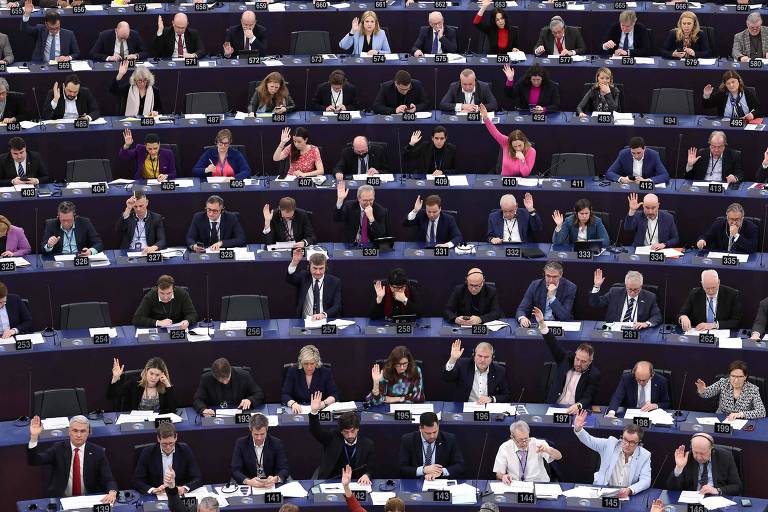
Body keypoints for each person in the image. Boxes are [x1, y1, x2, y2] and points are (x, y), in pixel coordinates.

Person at [27, 415, 117, 502]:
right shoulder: (58, 449)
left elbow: (108, 479)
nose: (78, 435)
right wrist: (34, 437)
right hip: (61, 500)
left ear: (89, 432)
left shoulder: (97, 452)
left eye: (83, 431)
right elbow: (34, 460)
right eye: (75, 431)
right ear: (69, 432)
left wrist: (112, 492)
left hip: (88, 499)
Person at [573, 410, 651, 498]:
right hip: (603, 491)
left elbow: (646, 480)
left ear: (639, 443)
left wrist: (629, 490)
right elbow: (590, 440)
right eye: (625, 440)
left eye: (632, 442)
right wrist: (579, 429)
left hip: (625, 495)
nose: (627, 445)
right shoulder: (610, 444)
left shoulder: (644, 455)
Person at [537, 307, 601, 413]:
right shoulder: (566, 358)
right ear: (575, 355)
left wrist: (578, 405)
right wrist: (542, 324)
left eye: (583, 361)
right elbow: (553, 344)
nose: (579, 363)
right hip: (554, 406)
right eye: (577, 359)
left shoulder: (594, 374)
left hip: (574, 410)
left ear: (590, 361)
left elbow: (588, 397)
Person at [309, 391, 374, 483]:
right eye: (346, 432)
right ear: (341, 431)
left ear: (358, 429)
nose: (350, 435)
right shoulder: (332, 438)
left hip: (356, 482)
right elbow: (316, 431)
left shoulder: (367, 444)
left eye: (352, 431)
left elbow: (370, 467)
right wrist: (314, 412)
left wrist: (366, 475)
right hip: (331, 480)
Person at [133, 423, 202, 495]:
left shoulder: (184, 450)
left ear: (176, 437)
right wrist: (153, 490)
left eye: (171, 443)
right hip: (157, 495)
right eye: (164, 444)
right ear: (158, 439)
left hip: (177, 494)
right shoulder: (148, 452)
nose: (168, 447)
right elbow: (137, 481)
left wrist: (184, 488)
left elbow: (197, 478)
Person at [666, 433, 742, 496]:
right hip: (693, 502)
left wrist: (717, 490)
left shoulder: (725, 457)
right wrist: (679, 468)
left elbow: (737, 487)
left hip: (716, 500)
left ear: (712, 449)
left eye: (702, 453)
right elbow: (672, 489)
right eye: (695, 452)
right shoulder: (686, 458)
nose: (698, 457)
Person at [398, 412, 464, 479]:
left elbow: (460, 465)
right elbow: (402, 468)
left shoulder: (449, 439)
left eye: (435, 432)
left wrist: (441, 471)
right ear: (420, 428)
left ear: (438, 426)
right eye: (428, 433)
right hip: (416, 482)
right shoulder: (408, 440)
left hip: (439, 482)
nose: (432, 436)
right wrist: (423, 470)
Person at [230, 413, 290, 486]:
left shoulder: (276, 443)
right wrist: (248, 481)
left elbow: (284, 469)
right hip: (250, 483)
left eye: (262, 434)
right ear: (250, 429)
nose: (259, 438)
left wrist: (276, 478)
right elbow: (235, 470)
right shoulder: (241, 443)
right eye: (256, 434)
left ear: (267, 429)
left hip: (270, 484)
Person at [494, 420, 561, 483]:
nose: (524, 443)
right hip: (515, 484)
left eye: (526, 439)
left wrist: (548, 450)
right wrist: (503, 476)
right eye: (520, 440)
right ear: (512, 438)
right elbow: (499, 474)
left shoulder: (538, 444)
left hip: (538, 483)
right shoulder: (505, 448)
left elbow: (559, 456)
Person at [590, 270, 662, 329]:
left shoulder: (650, 297)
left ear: (641, 286)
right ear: (625, 285)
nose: (633, 293)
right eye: (630, 289)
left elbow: (657, 316)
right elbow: (595, 303)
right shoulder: (614, 292)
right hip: (614, 330)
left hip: (636, 331)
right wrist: (596, 286)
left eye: (636, 290)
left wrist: (646, 324)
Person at [443, 339, 509, 403]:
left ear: (492, 358)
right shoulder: (463, 365)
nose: (482, 360)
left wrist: (491, 399)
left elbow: (505, 395)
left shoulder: (499, 371)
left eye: (486, 357)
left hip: (488, 407)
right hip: (465, 406)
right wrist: (453, 359)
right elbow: (447, 378)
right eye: (479, 356)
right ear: (474, 355)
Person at [193, 358, 265, 417]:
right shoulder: (206, 379)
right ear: (214, 375)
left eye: (227, 378)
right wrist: (203, 410)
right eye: (221, 380)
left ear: (230, 370)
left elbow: (259, 394)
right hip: (216, 415)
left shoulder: (244, 375)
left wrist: (250, 400)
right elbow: (197, 399)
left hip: (240, 414)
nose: (225, 382)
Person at [695, 360, 765, 420]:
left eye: (740, 377)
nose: (736, 380)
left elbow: (761, 412)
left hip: (742, 421)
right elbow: (706, 394)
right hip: (721, 419)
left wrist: (741, 414)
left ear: (745, 377)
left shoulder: (753, 389)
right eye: (733, 376)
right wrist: (702, 390)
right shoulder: (723, 383)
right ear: (729, 375)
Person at [480, 104, 535, 176]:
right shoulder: (506, 142)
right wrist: (485, 118)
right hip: (504, 181)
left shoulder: (531, 151)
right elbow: (495, 132)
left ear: (524, 141)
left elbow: (525, 174)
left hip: (520, 183)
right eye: (515, 146)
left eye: (520, 145)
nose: (518, 148)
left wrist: (522, 160)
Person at [516, 261, 576, 327]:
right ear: (544, 274)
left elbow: (565, 316)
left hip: (560, 326)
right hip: (538, 324)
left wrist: (552, 298)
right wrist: (522, 318)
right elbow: (522, 309)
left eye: (555, 277)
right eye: (548, 276)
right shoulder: (535, 285)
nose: (551, 280)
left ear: (561, 275)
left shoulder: (570, 287)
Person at [108, 356, 176, 413]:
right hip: (137, 423)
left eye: (157, 375)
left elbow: (173, 409)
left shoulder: (164, 387)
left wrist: (168, 385)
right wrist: (114, 379)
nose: (153, 378)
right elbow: (111, 396)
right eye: (151, 373)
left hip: (156, 423)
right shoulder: (134, 383)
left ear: (162, 374)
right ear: (146, 371)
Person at [287, 248, 342, 319]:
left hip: (325, 320)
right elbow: (290, 279)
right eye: (315, 268)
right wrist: (294, 263)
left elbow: (337, 306)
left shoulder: (334, 282)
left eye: (321, 268)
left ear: (326, 267)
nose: (318, 272)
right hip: (304, 321)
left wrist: (323, 315)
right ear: (309, 267)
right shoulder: (303, 277)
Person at [282, 345, 339, 413]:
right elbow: (285, 394)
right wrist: (293, 404)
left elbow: (335, 395)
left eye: (312, 363)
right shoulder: (293, 371)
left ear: (317, 362)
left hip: (319, 410)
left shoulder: (325, 372)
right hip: (298, 410)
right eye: (306, 364)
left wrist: (322, 404)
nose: (309, 367)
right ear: (301, 363)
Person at [606, 361, 671, 417]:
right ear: (634, 374)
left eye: (644, 380)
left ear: (652, 375)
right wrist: (611, 412)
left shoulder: (661, 381)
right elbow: (617, 397)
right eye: (638, 379)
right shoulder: (627, 379)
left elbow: (666, 403)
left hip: (652, 416)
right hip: (631, 415)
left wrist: (655, 405)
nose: (641, 382)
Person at [133, 274, 198, 329]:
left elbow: (192, 314)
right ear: (157, 289)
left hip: (179, 329)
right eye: (162, 293)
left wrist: (187, 321)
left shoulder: (182, 294)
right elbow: (137, 318)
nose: (165, 297)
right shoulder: (150, 296)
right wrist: (158, 322)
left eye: (169, 293)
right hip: (157, 329)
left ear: (173, 289)